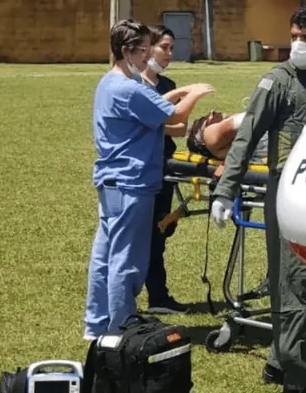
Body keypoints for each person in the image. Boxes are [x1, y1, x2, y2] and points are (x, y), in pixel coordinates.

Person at [209, 4, 306, 393]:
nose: (299, 45)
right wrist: (225, 190)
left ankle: (281, 360)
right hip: (287, 192)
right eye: (295, 37)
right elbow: (246, 138)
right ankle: (301, 382)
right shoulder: (279, 81)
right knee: (294, 285)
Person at [84, 18, 214, 340]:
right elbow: (175, 116)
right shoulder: (128, 88)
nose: (148, 55)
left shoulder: (112, 82)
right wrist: (195, 93)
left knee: (105, 256)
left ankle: (97, 323)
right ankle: (121, 326)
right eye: (143, 50)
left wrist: (180, 90)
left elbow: (158, 102)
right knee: (126, 260)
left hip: (113, 182)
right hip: (131, 184)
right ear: (127, 51)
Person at [136, 25, 212, 314]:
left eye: (171, 47)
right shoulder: (135, 84)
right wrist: (159, 124)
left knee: (162, 230)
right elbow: (167, 123)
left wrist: (154, 126)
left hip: (164, 164)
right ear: (148, 48)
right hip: (142, 166)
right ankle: (148, 297)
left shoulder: (168, 85)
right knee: (143, 234)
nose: (169, 53)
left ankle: (158, 297)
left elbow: (180, 128)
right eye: (164, 47)